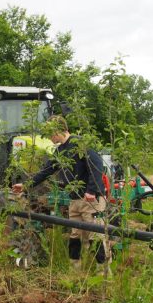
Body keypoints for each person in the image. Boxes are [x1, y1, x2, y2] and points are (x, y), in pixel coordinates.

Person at [12, 115, 108, 268]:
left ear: (56, 130)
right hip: (74, 200)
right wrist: (25, 185)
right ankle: (75, 270)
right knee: (75, 236)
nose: (48, 137)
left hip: (91, 199)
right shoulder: (61, 151)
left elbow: (96, 164)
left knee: (94, 236)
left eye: (49, 133)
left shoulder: (79, 143)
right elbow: (46, 171)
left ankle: (103, 273)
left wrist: (91, 190)